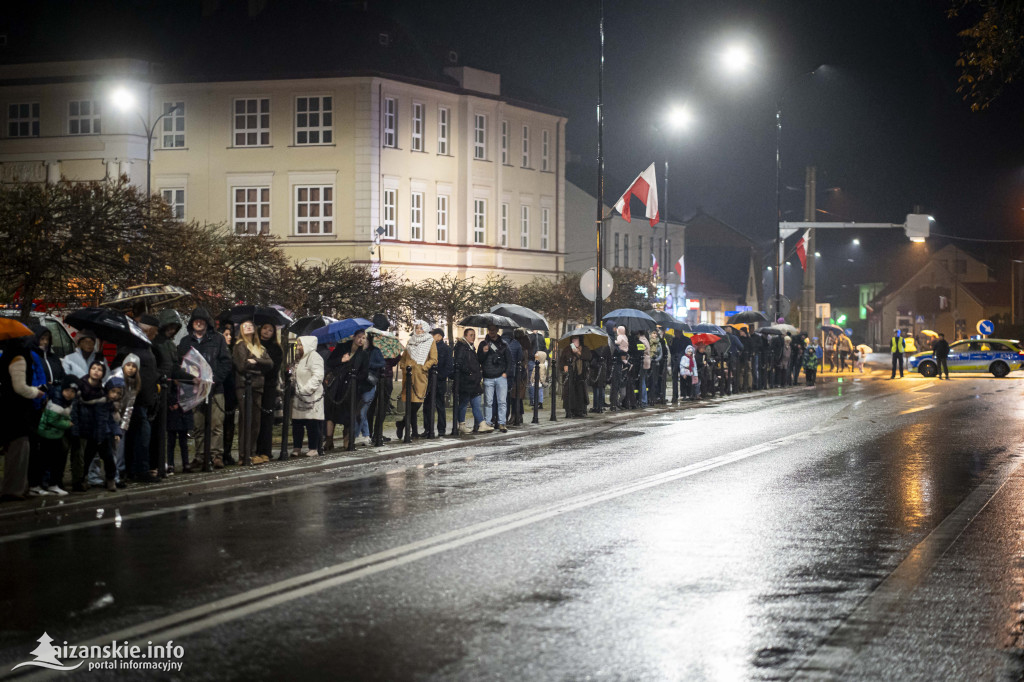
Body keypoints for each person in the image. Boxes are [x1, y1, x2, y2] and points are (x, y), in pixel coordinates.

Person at [178, 307, 232, 469]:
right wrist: (191, 379)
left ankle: (216, 455)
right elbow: (181, 364)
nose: (199, 323)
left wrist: (214, 378)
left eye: (202, 320)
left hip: (215, 388)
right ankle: (200, 456)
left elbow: (226, 362)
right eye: (196, 320)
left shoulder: (218, 339)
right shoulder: (186, 342)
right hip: (195, 388)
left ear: (207, 322)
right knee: (198, 425)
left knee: (216, 424)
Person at [1, 337, 46, 501]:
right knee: (19, 450)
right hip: (17, 413)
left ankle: (17, 487)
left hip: (10, 410)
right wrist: (36, 392)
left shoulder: (8, 355)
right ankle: (13, 490)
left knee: (16, 450)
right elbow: (19, 387)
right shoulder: (19, 357)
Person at [71, 366, 122, 492]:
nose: (115, 395)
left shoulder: (108, 403)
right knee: (87, 458)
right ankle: (83, 479)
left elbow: (111, 419)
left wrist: (116, 432)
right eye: (113, 392)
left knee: (109, 459)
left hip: (105, 434)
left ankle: (110, 479)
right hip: (93, 434)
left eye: (118, 393)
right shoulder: (99, 399)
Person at [233, 320, 273, 464]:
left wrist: (255, 361)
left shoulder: (259, 347)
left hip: (258, 387)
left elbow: (270, 363)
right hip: (245, 386)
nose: (248, 327)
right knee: (246, 420)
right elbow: (242, 365)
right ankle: (244, 454)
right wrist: (259, 369)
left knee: (255, 422)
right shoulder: (240, 346)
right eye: (244, 326)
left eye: (250, 325)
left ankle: (252, 451)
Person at [31, 376, 77, 496]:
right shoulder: (57, 401)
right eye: (67, 390)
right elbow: (53, 420)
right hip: (47, 435)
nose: (69, 394)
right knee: (44, 461)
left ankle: (52, 485)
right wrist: (68, 424)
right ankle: (36, 486)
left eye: (72, 392)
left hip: (56, 435)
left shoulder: (66, 401)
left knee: (55, 461)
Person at [290, 335, 324, 456]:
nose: (298, 347)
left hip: (311, 396)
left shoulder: (314, 357)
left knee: (312, 423)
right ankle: (297, 447)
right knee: (297, 422)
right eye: (298, 344)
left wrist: (307, 389)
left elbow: (318, 375)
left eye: (300, 344)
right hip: (299, 395)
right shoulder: (300, 358)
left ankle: (313, 448)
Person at [453, 328, 491, 434]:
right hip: (466, 381)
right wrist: (469, 372)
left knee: (476, 402)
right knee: (464, 403)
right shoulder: (462, 347)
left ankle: (482, 423)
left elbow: (475, 360)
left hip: (473, 380)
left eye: (474, 335)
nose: (473, 337)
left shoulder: (470, 347)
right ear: (465, 336)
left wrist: (483, 353)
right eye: (471, 335)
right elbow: (459, 363)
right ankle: (461, 424)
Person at [256, 323, 283, 460]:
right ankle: (254, 450)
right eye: (265, 328)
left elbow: (274, 368)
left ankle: (265, 451)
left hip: (268, 386)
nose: (267, 331)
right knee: (254, 419)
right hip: (254, 385)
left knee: (267, 420)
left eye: (270, 330)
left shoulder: (276, 348)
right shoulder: (253, 344)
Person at [477, 324, 509, 432]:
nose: (491, 331)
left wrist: (506, 373)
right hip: (488, 376)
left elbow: (509, 360)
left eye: (493, 330)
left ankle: (502, 423)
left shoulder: (503, 344)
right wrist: (484, 352)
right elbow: (479, 360)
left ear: (497, 330)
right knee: (488, 402)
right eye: (490, 329)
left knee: (502, 401)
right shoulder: (483, 343)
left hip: (501, 376)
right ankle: (488, 423)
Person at [357, 334, 385, 445]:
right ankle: (363, 434)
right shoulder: (357, 351)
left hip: (369, 383)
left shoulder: (374, 351)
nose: (362, 340)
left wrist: (368, 364)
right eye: (360, 338)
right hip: (358, 383)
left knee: (362, 411)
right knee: (358, 411)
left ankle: (364, 435)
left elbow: (382, 363)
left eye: (364, 338)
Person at [426, 328, 452, 437]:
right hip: (429, 380)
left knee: (440, 405)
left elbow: (448, 366)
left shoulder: (446, 349)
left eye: (433, 335)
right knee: (427, 405)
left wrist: (441, 376)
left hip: (440, 381)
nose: (431, 337)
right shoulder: (429, 347)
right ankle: (428, 429)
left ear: (439, 336)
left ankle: (441, 429)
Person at [220, 325, 238, 465]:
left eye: (230, 334)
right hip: (221, 389)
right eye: (226, 334)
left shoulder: (233, 350)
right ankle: (219, 453)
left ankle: (227, 452)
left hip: (231, 391)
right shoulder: (219, 351)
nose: (229, 337)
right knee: (219, 424)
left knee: (229, 424)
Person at [561, 335, 591, 418]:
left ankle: (580, 411)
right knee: (569, 392)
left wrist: (578, 352)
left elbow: (588, 357)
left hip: (580, 374)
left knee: (580, 393)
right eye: (573, 339)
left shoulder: (584, 348)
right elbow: (563, 360)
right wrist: (565, 366)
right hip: (570, 375)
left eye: (576, 339)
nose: (575, 341)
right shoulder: (567, 349)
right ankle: (569, 410)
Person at [588, 340, 610, 413]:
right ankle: (600, 405)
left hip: (595, 367)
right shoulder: (606, 345)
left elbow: (590, 357)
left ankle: (596, 406)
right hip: (603, 366)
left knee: (596, 387)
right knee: (601, 387)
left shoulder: (594, 346)